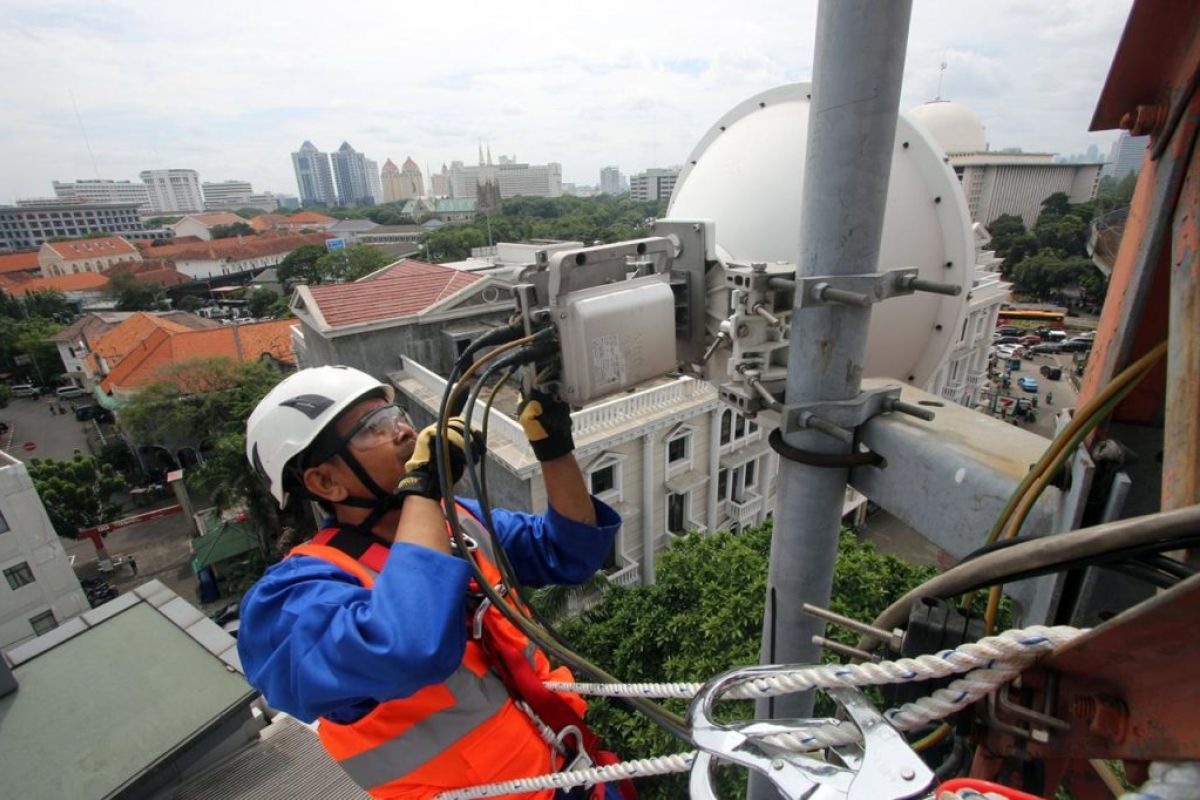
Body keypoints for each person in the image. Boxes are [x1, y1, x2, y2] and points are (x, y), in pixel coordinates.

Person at [237, 366, 627, 800]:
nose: (403, 432)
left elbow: (569, 552)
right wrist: (422, 489)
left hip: (576, 774)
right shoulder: (289, 602)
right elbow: (411, 648)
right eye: (374, 429)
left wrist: (553, 448)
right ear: (325, 481)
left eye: (396, 415)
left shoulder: (453, 519)